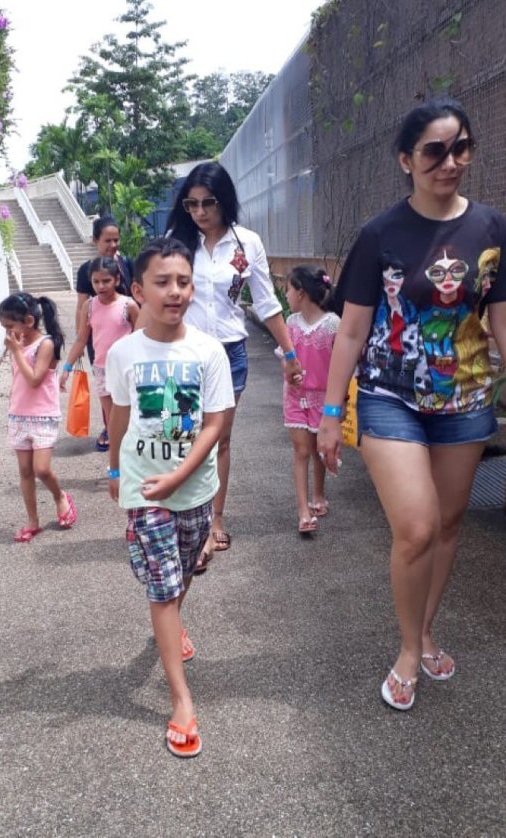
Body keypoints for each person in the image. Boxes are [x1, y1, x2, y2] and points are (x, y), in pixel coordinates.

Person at [316, 97, 506, 711]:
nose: (450, 162)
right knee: (418, 526)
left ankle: (427, 632)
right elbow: (350, 331)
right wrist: (326, 412)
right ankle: (406, 646)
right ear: (407, 159)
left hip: (468, 397)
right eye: (434, 151)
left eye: (461, 148)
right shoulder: (380, 235)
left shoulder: (492, 229)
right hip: (388, 394)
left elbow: (501, 319)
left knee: (449, 526)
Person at [105, 238, 234, 757]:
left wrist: (182, 476)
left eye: (183, 281)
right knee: (162, 585)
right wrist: (114, 467)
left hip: (195, 489)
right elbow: (117, 414)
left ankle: (173, 624)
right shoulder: (123, 353)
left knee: (181, 574)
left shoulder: (207, 350)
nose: (175, 291)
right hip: (144, 488)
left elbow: (215, 424)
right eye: (162, 282)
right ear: (138, 289)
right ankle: (182, 700)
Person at [165, 162, 302, 571]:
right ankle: (180, 516)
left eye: (208, 203)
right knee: (180, 435)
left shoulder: (247, 244)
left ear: (225, 201)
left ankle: (213, 520)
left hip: (229, 354)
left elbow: (266, 302)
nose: (200, 212)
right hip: (181, 352)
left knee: (219, 440)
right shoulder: (177, 241)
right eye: (192, 204)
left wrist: (290, 354)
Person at [0, 293, 78, 543]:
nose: (8, 332)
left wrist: (17, 352)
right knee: (25, 470)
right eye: (5, 328)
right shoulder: (18, 344)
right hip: (19, 415)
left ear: (29, 321)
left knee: (41, 469)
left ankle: (60, 496)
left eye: (10, 326)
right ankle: (33, 520)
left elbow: (34, 379)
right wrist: (17, 350)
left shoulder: (46, 344)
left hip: (42, 415)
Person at [280, 266, 339, 534]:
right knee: (301, 450)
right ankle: (303, 512)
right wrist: (289, 372)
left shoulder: (333, 325)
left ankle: (319, 494)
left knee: (318, 451)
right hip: (295, 397)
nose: (286, 293)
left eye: (289, 288)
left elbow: (342, 364)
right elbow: (284, 358)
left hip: (323, 399)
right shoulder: (290, 324)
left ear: (301, 293)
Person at [61, 258, 139, 448]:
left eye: (106, 281)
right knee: (113, 420)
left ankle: (135, 461)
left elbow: (140, 338)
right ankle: (118, 466)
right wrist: (66, 368)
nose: (101, 286)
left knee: (133, 417)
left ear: (117, 280)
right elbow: (81, 339)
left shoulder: (129, 306)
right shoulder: (89, 306)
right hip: (102, 370)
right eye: (96, 282)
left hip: (127, 370)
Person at [75, 216, 134, 445]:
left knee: (128, 387)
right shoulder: (85, 270)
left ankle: (130, 430)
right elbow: (81, 304)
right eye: (107, 240)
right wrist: (80, 337)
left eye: (116, 240)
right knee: (105, 386)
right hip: (98, 337)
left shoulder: (127, 264)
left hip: (125, 336)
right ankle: (111, 429)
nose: (113, 245)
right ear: (95, 241)